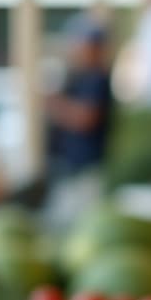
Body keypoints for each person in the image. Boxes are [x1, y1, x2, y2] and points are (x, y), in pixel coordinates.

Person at [45, 14, 113, 181]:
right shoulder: (78, 74)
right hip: (69, 164)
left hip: (86, 167)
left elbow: (86, 118)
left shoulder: (97, 77)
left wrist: (55, 104)